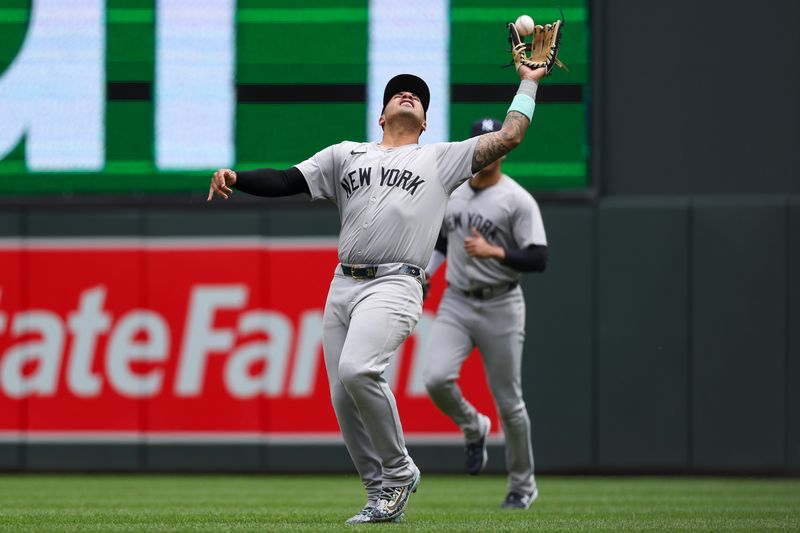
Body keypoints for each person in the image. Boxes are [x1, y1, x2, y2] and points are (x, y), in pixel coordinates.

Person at [207, 65, 546, 523]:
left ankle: (400, 471)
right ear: (380, 115)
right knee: (342, 397)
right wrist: (237, 177)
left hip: (396, 281)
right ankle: (379, 496)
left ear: (425, 121)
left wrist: (529, 81)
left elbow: (509, 136)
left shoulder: (441, 159)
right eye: (397, 93)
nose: (407, 95)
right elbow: (287, 180)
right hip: (343, 283)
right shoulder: (345, 155)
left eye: (418, 96)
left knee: (357, 369)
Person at [421, 117, 548, 510]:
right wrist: (425, 272)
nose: (489, 149)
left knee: (509, 402)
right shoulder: (454, 192)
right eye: (482, 142)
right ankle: (472, 425)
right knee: (436, 379)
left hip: (501, 303)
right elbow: (443, 240)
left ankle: (522, 486)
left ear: (505, 149)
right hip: (457, 300)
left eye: (495, 142)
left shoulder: (517, 199)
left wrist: (497, 252)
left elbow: (539, 257)